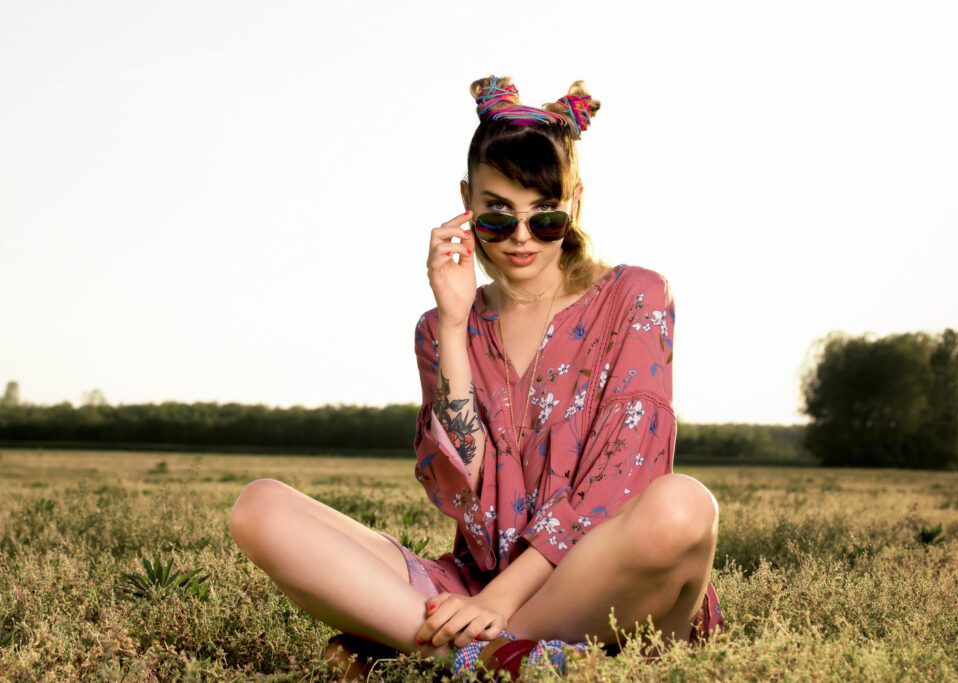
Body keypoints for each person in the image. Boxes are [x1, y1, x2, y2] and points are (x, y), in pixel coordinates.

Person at [228, 74, 723, 681]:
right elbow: (460, 489)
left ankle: (438, 644)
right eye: (498, 216)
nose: (521, 238)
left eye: (545, 217)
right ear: (467, 201)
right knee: (261, 508)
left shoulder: (635, 296)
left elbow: (619, 485)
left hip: (604, 585)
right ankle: (495, 658)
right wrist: (454, 321)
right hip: (476, 585)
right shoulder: (440, 328)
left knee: (683, 507)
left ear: (575, 202)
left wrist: (498, 602)